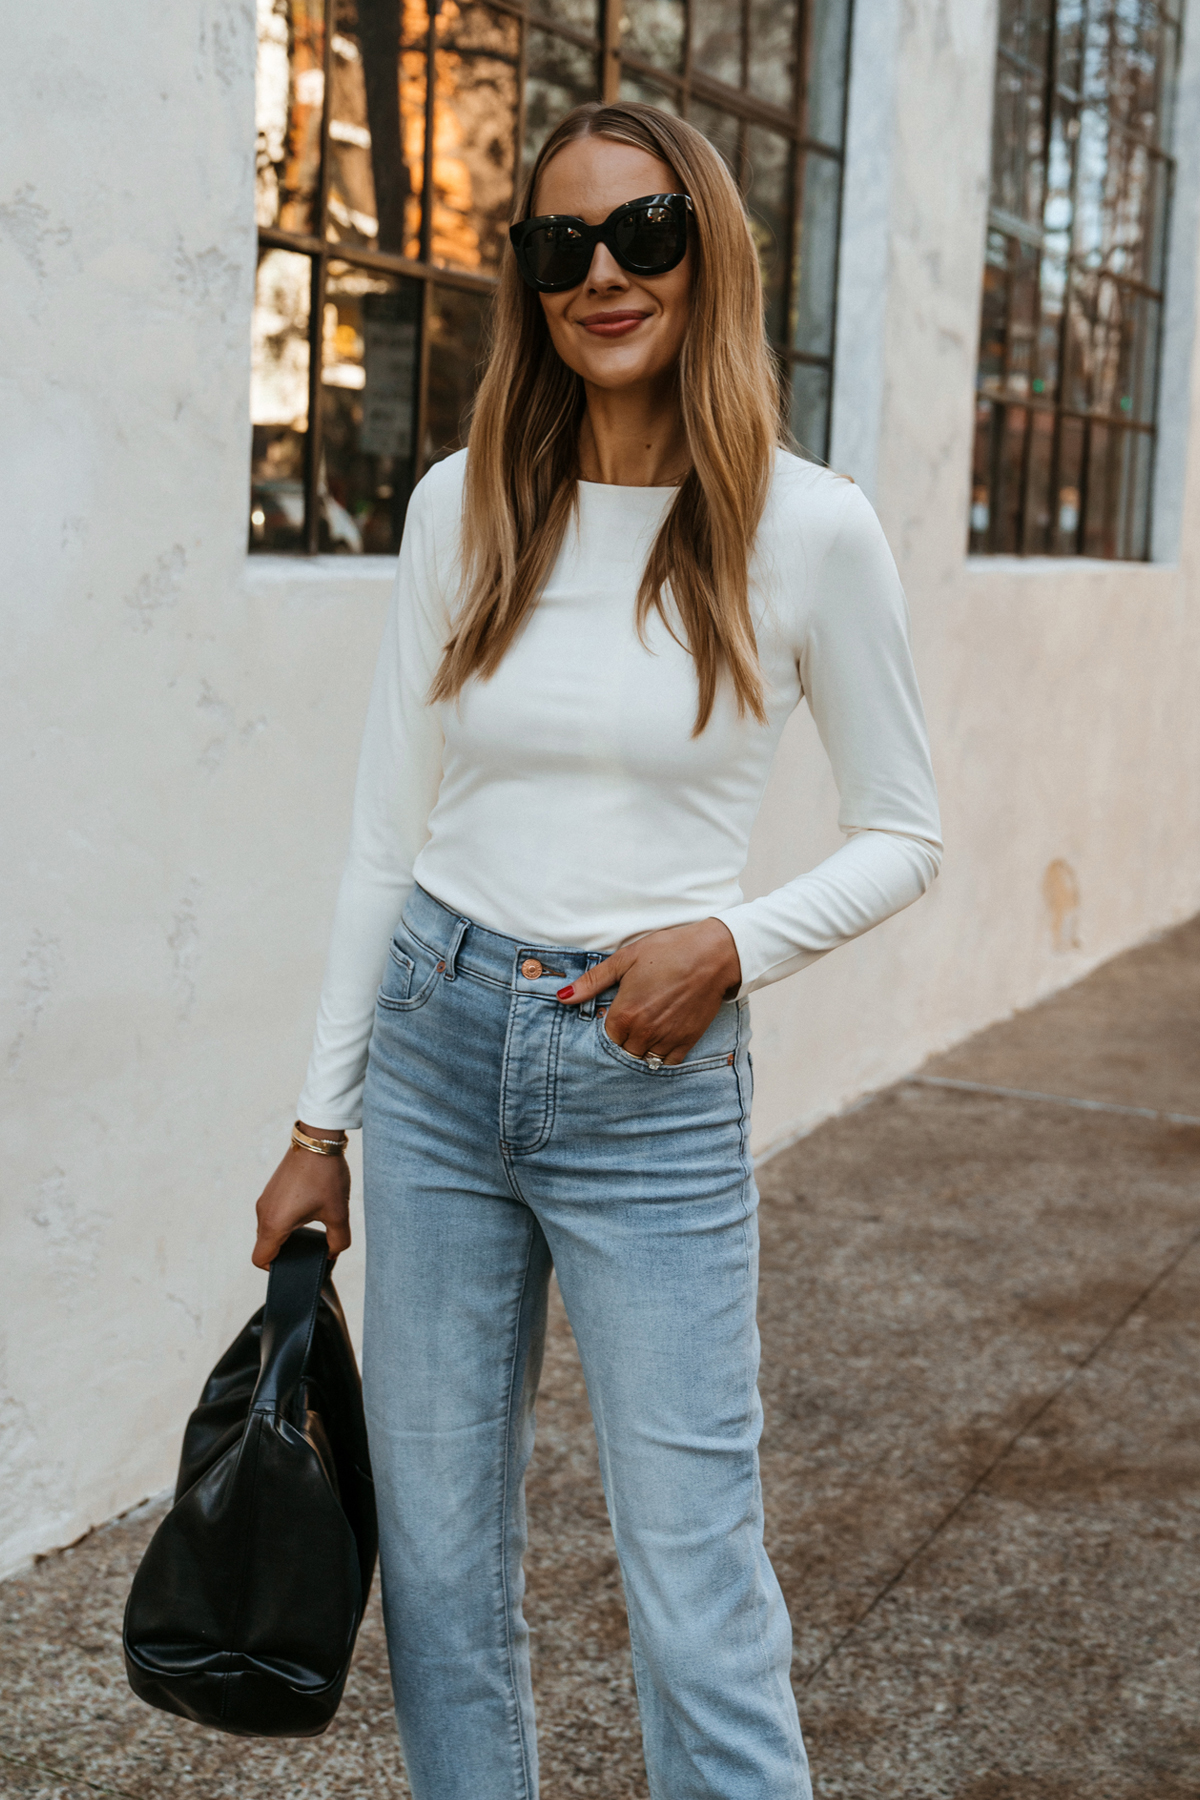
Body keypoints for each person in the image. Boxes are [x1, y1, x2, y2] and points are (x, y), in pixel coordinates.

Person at [253, 101, 941, 1800]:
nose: (602, 277)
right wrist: (315, 1124)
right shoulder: (460, 505)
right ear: (530, 283)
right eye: (559, 249)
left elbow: (906, 834)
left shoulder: (810, 529)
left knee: (698, 1591)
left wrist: (729, 940)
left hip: (646, 1082)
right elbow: (381, 841)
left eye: (641, 234)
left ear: (707, 249)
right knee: (439, 1573)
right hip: (433, 1044)